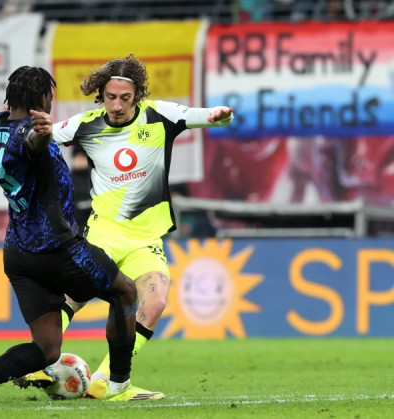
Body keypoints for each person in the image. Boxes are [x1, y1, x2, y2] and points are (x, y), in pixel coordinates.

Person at [0, 17, 163, 406]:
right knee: (124, 292)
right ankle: (119, 385)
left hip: (18, 256)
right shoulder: (30, 135)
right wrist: (40, 135)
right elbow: (32, 146)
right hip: (57, 249)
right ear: (41, 102)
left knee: (47, 347)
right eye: (49, 100)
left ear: (11, 99)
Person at [16, 54, 234, 399]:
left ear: (137, 97)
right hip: (103, 233)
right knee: (74, 297)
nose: (116, 106)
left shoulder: (160, 115)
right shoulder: (86, 124)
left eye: (125, 98)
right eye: (110, 97)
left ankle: (106, 381)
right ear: (101, 95)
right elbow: (37, 139)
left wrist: (220, 116)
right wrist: (21, 142)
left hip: (145, 240)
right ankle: (39, 361)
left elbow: (206, 117)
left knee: (155, 302)